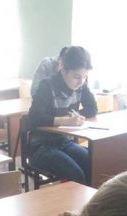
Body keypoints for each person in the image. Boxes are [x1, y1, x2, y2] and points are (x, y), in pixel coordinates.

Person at [28, 46, 97, 184]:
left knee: (94, 164)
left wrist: (76, 116)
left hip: (64, 142)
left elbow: (92, 108)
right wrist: (65, 120)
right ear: (64, 70)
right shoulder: (47, 85)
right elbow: (34, 117)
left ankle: (91, 198)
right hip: (41, 146)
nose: (81, 81)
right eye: (76, 77)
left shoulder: (81, 85)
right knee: (76, 175)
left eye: (84, 77)